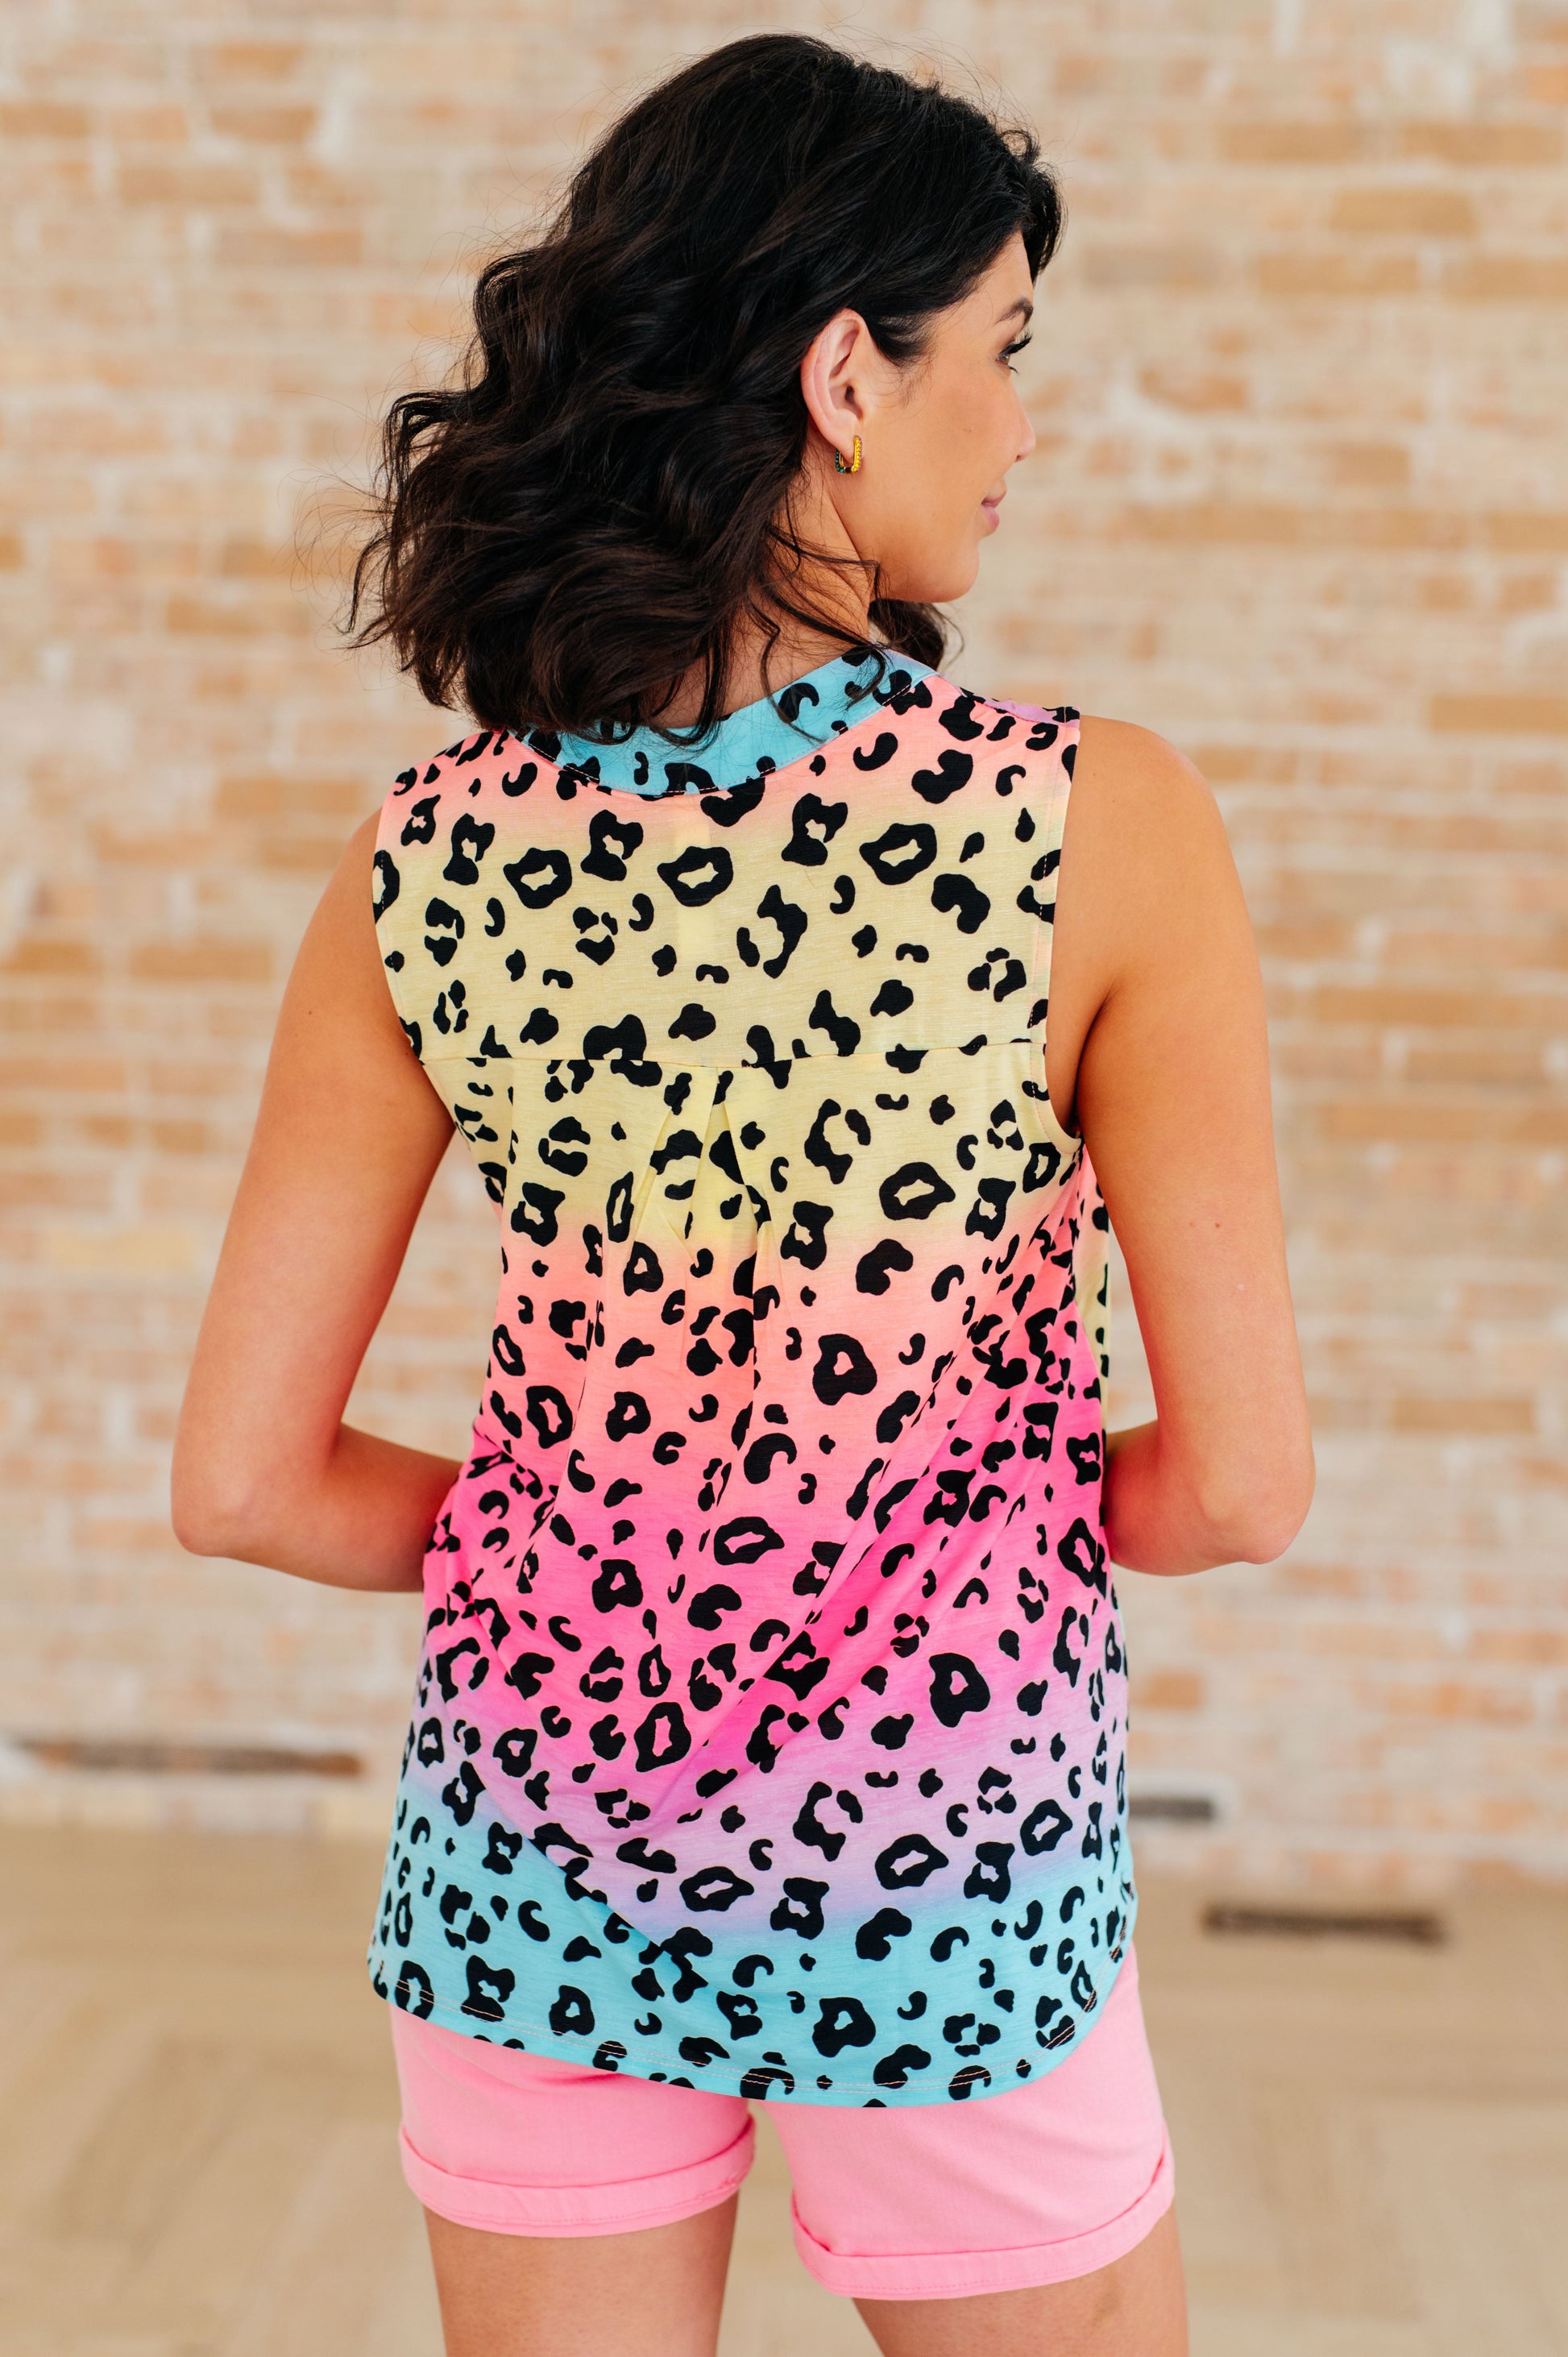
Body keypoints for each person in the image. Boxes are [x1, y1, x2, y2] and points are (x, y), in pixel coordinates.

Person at [172, 32, 1313, 2357]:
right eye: (1002, 351)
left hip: (537, 1853)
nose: (1023, 426)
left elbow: (244, 1483)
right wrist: (920, 1518)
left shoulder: (424, 865)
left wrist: (615, 1543)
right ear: (844, 377)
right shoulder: (1101, 826)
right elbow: (1235, 1489)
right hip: (947, 1871)